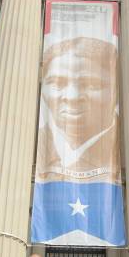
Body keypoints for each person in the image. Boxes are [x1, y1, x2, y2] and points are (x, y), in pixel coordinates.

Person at [36, 37, 120, 184]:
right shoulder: (31, 142)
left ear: (116, 92)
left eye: (92, 84)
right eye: (57, 83)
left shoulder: (128, 147)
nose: (72, 97)